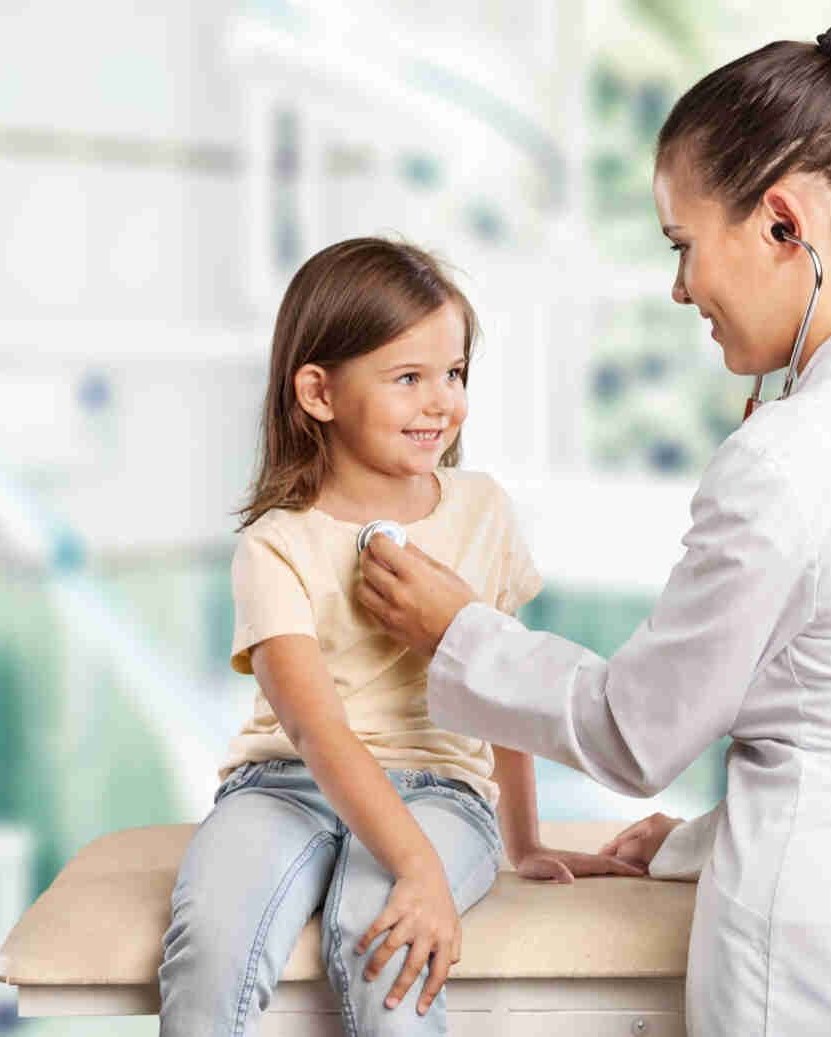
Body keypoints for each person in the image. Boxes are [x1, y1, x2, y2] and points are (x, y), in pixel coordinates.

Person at [355, 14, 831, 1036]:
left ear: (781, 223)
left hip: (813, 979)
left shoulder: (793, 456)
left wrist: (457, 630)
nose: (680, 289)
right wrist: (693, 842)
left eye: (683, 246)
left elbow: (637, 729)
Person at [156, 237, 641, 1037]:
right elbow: (317, 730)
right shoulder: (277, 545)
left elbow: (501, 680)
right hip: (284, 785)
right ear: (318, 392)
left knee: (380, 936)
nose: (442, 402)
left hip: (440, 791)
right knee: (210, 943)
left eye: (454, 373)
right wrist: (414, 860)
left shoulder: (482, 510)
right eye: (409, 377)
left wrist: (522, 840)